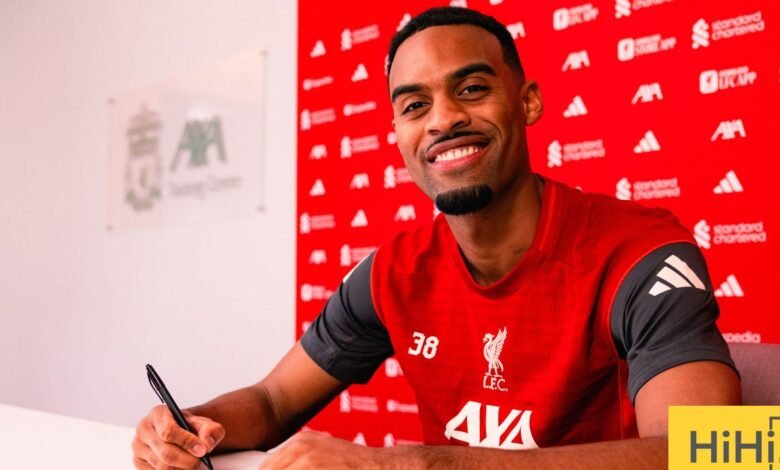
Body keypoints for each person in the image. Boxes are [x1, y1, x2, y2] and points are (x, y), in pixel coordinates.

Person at [132, 7, 741, 469]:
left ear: (527, 102)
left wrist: (409, 464)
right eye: (415, 105)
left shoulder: (640, 253)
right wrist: (191, 425)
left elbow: (723, 451)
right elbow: (271, 402)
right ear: (398, 134)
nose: (444, 119)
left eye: (471, 89)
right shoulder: (393, 271)